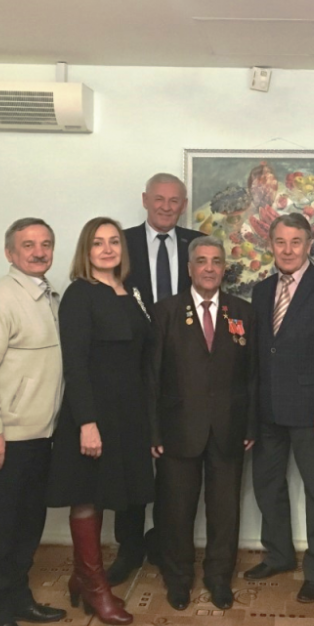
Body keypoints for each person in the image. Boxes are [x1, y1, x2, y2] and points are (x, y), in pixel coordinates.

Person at [46, 217, 153, 626]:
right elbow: (74, 363)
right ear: (85, 251)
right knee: (87, 494)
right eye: (98, 243)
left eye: (114, 242)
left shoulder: (131, 292)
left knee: (110, 490)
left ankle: (80, 577)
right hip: (93, 410)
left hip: (129, 412)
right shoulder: (80, 294)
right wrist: (87, 423)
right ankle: (95, 585)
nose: (107, 249)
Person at [246, 213, 314, 603]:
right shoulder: (262, 291)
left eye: (296, 242)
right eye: (280, 241)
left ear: (309, 245)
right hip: (267, 410)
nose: (288, 249)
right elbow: (260, 354)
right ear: (270, 245)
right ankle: (278, 554)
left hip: (313, 411)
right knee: (267, 486)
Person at [0, 218, 66, 626]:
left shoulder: (48, 296)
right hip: (5, 437)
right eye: (28, 245)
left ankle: (18, 597)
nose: (39, 252)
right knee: (0, 528)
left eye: (46, 244)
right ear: (10, 252)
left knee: (27, 524)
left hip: (40, 434)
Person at [147, 236, 258, 611]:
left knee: (225, 512)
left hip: (230, 428)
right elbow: (152, 377)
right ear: (190, 268)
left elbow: (253, 375)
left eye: (216, 261)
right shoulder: (165, 312)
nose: (209, 268)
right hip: (177, 430)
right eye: (202, 261)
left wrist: (251, 425)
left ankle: (218, 578)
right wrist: (154, 430)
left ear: (224, 268)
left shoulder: (241, 312)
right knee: (176, 511)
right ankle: (178, 579)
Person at [113, 173, 201, 584]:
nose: (166, 207)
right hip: (131, 370)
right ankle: (129, 547)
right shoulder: (121, 243)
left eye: (174, 200)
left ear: (184, 205)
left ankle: (167, 544)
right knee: (132, 462)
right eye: (159, 199)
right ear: (145, 199)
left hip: (184, 375)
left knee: (174, 467)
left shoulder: (197, 245)